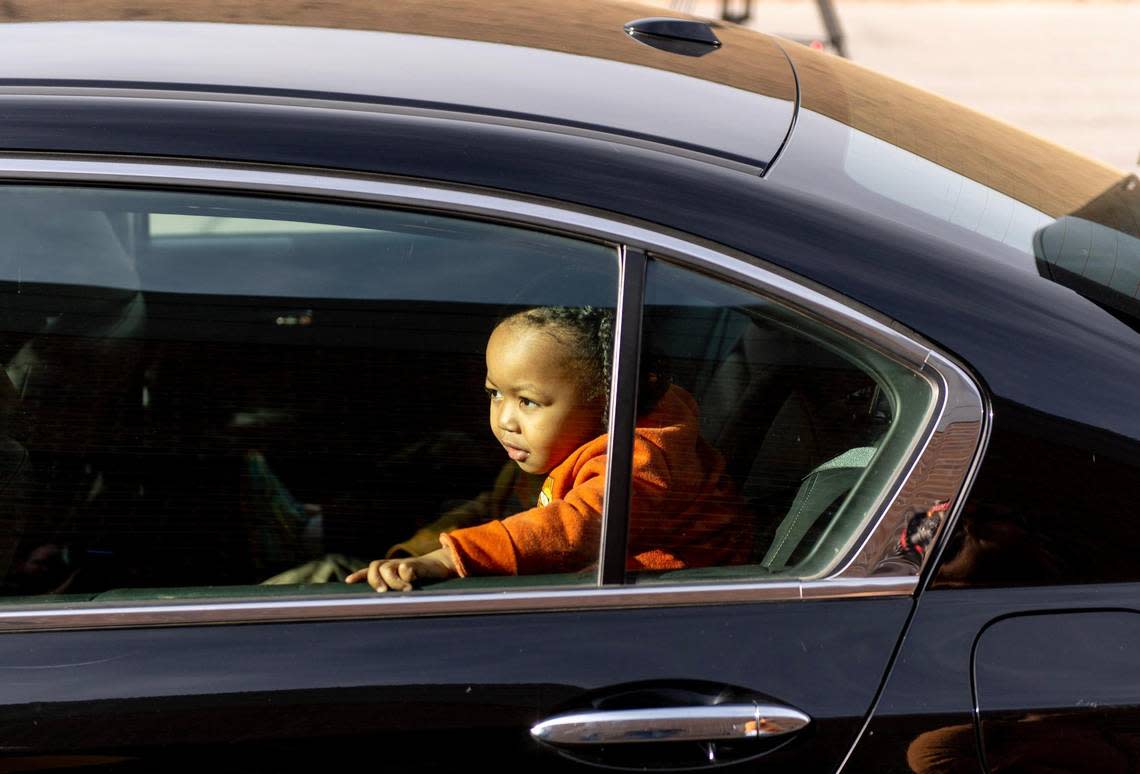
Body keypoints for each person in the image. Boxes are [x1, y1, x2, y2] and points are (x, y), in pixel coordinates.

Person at [346, 305, 750, 592]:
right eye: (494, 393)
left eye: (528, 402)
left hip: (662, 610)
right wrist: (418, 552)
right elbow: (495, 506)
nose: (504, 419)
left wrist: (450, 560)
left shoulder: (638, 459)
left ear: (607, 402)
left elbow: (575, 528)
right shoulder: (549, 448)